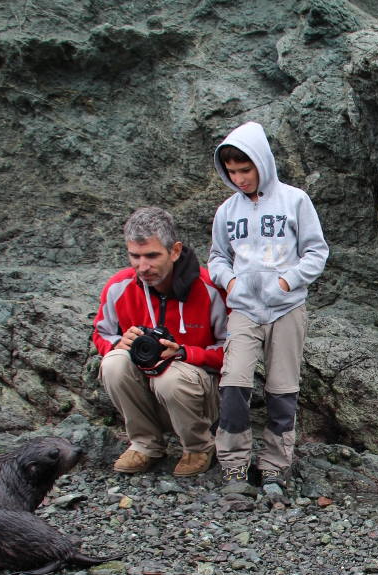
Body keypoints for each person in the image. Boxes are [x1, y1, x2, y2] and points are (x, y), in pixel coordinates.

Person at [208, 122, 329, 486]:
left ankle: (275, 466)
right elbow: (217, 257)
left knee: (282, 389)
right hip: (244, 310)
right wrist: (230, 282)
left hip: (287, 308)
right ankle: (233, 465)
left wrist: (284, 282)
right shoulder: (227, 211)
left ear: (263, 162)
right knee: (234, 385)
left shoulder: (295, 200)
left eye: (245, 169)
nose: (239, 178)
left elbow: (316, 251)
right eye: (231, 172)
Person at [93, 207, 228, 476]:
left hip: (198, 395)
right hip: (146, 393)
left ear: (175, 251)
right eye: (135, 256)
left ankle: (198, 446)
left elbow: (234, 349)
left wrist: (183, 353)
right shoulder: (118, 287)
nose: (142, 267)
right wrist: (117, 344)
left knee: (171, 376)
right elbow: (101, 334)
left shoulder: (210, 288)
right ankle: (145, 445)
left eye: (152, 255)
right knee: (114, 363)